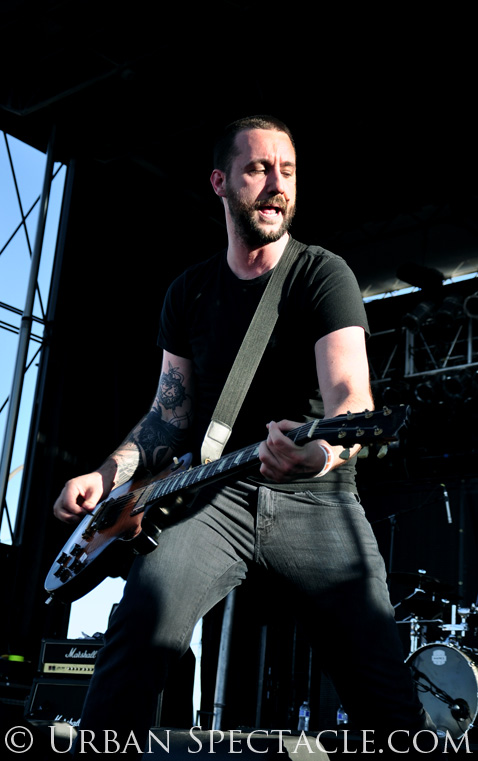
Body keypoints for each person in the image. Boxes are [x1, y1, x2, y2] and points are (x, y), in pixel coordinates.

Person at [53, 115, 433, 755]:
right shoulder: (189, 293)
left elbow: (351, 398)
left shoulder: (322, 274)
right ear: (220, 183)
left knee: (383, 695)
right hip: (214, 498)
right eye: (258, 169)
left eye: (288, 172)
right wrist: (105, 474)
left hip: (318, 498)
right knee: (136, 634)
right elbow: (166, 417)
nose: (277, 185)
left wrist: (318, 454)